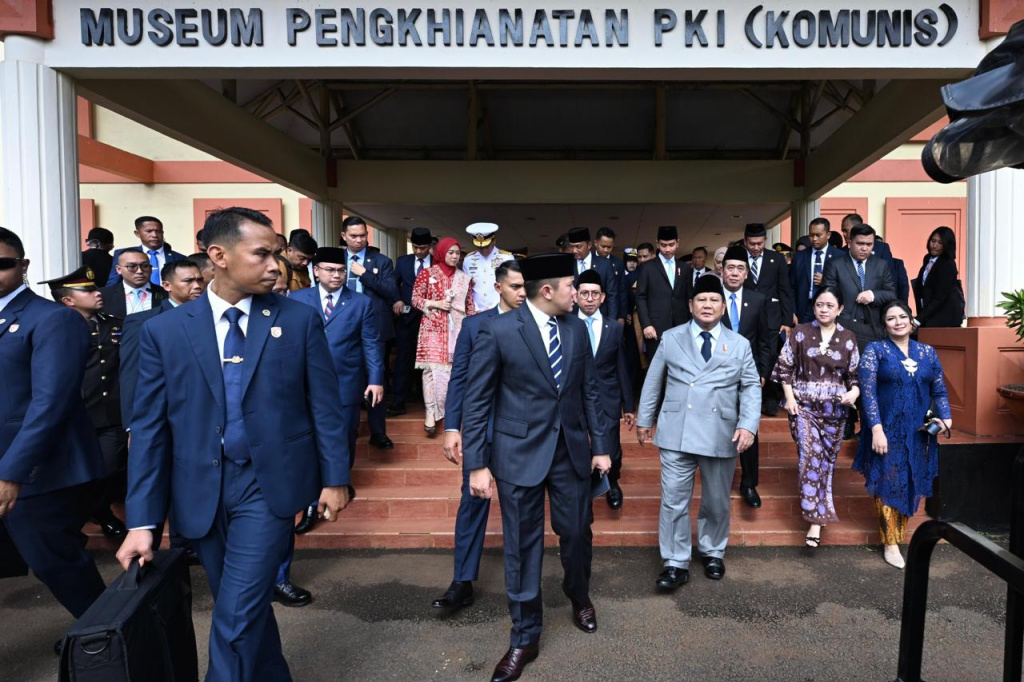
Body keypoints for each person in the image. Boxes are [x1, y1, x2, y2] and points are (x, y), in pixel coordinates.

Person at [116, 208, 352, 682]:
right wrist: (141, 521)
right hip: (198, 488)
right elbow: (149, 429)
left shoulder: (299, 320)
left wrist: (336, 478)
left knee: (235, 614)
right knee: (240, 606)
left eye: (278, 254)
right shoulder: (163, 331)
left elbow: (326, 406)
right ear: (219, 256)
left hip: (267, 486)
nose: (276, 265)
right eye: (262, 254)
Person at [462, 253, 611, 682]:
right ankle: (525, 635)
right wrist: (477, 464)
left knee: (578, 532)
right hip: (516, 455)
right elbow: (477, 401)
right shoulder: (497, 330)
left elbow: (590, 393)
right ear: (547, 291)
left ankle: (578, 593)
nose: (577, 294)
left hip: (570, 453)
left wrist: (601, 447)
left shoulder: (577, 330)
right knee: (522, 546)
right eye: (570, 286)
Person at [0, 230, 107, 625]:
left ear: (23, 266)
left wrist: (12, 473)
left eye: (3, 263)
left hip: (39, 473)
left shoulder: (53, 319)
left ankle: (110, 641)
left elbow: (50, 404)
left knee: (58, 566)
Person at [636, 275, 760, 591]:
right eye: (701, 300)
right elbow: (654, 381)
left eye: (713, 300)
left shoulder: (739, 344)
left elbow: (750, 386)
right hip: (677, 430)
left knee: (717, 500)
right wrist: (644, 420)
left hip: (721, 431)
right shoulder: (671, 337)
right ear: (691, 306)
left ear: (723, 306)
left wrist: (748, 424)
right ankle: (675, 562)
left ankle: (712, 551)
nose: (707, 305)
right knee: (674, 501)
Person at [286, 247, 383, 605]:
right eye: (328, 270)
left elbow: (371, 343)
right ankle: (313, 501)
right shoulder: (297, 299)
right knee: (308, 441)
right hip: (302, 384)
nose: (336, 276)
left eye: (341, 271)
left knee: (343, 437)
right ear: (315, 271)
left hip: (344, 382)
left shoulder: (359, 304)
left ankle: (339, 479)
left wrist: (376, 379)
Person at [433, 260, 525, 612]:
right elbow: (460, 380)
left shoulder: (534, 323)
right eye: (515, 286)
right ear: (499, 287)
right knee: (472, 503)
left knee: (520, 508)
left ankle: (521, 585)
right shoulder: (474, 326)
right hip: (481, 429)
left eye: (525, 286)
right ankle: (462, 581)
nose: (522, 293)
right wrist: (453, 428)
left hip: (522, 432)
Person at [853, 300, 951, 569]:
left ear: (911, 321)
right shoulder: (876, 351)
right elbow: (868, 392)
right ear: (884, 324)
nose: (898, 322)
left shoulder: (927, 352)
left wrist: (946, 419)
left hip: (918, 432)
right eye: (891, 318)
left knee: (909, 479)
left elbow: (939, 389)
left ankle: (899, 534)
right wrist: (875, 429)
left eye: (902, 316)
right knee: (887, 481)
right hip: (885, 429)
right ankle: (891, 542)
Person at [772, 287, 860, 548]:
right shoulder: (800, 333)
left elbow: (854, 377)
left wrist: (853, 393)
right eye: (820, 304)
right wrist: (789, 399)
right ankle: (813, 520)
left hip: (835, 410)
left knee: (825, 462)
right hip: (803, 407)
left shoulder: (848, 337)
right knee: (810, 457)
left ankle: (818, 517)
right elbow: (784, 366)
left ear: (840, 309)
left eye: (830, 305)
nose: (824, 309)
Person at [46, 267, 128, 541]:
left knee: (111, 467)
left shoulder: (114, 323)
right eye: (88, 291)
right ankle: (85, 519)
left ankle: (98, 510)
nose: (97, 293)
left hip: (111, 412)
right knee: (76, 473)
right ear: (68, 300)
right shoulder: (54, 328)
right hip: (75, 413)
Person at [719, 246, 773, 509]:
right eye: (730, 267)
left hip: (749, 375)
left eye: (740, 268)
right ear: (722, 270)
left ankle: (749, 483)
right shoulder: (711, 298)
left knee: (749, 427)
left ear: (746, 273)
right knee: (719, 425)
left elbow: (765, 340)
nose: (735, 273)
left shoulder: (758, 299)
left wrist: (763, 372)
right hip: (717, 376)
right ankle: (721, 479)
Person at [577, 269, 636, 509]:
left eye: (594, 294)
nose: (589, 298)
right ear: (575, 296)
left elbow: (622, 367)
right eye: (584, 294)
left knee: (612, 445)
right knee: (581, 444)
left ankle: (612, 482)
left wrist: (629, 405)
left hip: (608, 397)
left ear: (603, 297)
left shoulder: (615, 328)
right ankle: (584, 487)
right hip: (576, 398)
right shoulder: (566, 326)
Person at [341, 216, 397, 450]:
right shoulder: (335, 261)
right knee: (346, 380)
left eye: (363, 235)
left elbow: (390, 291)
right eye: (354, 236)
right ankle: (348, 430)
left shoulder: (381, 261)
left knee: (376, 378)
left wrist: (364, 273)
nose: (359, 240)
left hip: (374, 329)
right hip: (342, 329)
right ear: (344, 236)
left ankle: (378, 431)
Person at [413, 237, 476, 436]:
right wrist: (436, 303)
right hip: (432, 327)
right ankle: (431, 413)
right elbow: (415, 299)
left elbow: (470, 307)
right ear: (441, 252)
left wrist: (473, 331)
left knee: (454, 371)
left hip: (458, 329)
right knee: (431, 372)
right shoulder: (427, 273)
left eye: (457, 253)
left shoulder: (465, 278)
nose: (455, 256)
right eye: (451, 252)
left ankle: (451, 412)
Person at [742, 223, 794, 417]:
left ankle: (770, 397)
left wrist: (787, 320)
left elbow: (784, 289)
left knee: (771, 357)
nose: (756, 247)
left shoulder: (776, 259)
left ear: (765, 240)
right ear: (745, 241)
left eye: (759, 243)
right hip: (746, 315)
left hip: (772, 317)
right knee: (749, 355)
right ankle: (750, 397)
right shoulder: (739, 257)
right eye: (752, 243)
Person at [821, 224, 897, 352]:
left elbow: (891, 294)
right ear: (849, 242)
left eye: (869, 244)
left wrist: (873, 295)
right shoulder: (835, 265)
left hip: (873, 328)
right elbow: (828, 296)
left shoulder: (881, 265)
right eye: (860, 243)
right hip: (843, 327)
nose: (864, 248)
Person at [390, 227, 433, 416]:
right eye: (415, 247)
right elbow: (393, 283)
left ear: (430, 246)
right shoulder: (403, 262)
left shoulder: (438, 263)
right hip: (407, 319)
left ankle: (429, 401)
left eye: (422, 247)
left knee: (429, 361)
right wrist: (397, 299)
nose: (418, 251)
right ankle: (399, 400)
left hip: (431, 320)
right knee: (403, 360)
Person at [635, 225, 690, 362]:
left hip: (681, 328)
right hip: (655, 330)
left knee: (681, 371)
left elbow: (690, 298)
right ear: (657, 244)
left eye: (671, 245)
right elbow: (641, 297)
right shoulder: (647, 268)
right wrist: (646, 324)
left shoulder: (685, 268)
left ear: (677, 243)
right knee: (656, 373)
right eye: (663, 245)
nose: (667, 249)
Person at [107, 216, 186, 286]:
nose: (154, 235)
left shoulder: (180, 258)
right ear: (137, 233)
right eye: (149, 231)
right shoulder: (124, 255)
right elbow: (114, 282)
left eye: (158, 231)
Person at [566, 227, 622, 322]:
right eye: (572, 246)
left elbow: (612, 295)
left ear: (589, 245)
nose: (574, 250)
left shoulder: (605, 264)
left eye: (578, 246)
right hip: (574, 320)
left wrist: (611, 322)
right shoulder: (567, 265)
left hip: (600, 319)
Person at [913, 226, 964, 328]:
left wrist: (919, 319)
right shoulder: (928, 258)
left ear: (946, 245)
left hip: (944, 318)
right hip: (928, 314)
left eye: (940, 243)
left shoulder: (948, 264)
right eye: (933, 240)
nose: (934, 245)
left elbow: (940, 296)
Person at [791, 217, 840, 324]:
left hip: (829, 309)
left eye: (818, 235)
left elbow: (845, 286)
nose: (814, 239)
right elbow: (792, 286)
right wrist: (792, 311)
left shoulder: (839, 256)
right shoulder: (799, 257)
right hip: (805, 310)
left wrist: (826, 280)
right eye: (811, 235)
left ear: (828, 235)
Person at [101, 248, 168, 317]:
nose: (140, 271)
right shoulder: (103, 295)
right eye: (132, 266)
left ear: (151, 268)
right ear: (119, 269)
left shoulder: (167, 295)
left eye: (145, 266)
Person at [462, 222, 514, 312]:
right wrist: (474, 308)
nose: (483, 250)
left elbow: (512, 285)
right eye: (479, 247)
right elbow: (466, 288)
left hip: (501, 310)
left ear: (493, 240)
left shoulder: (506, 258)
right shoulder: (468, 260)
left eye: (486, 246)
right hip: (476, 311)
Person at [594, 227, 629, 327]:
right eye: (603, 246)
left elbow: (622, 291)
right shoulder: (589, 260)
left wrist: (622, 316)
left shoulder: (618, 263)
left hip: (613, 312)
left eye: (609, 247)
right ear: (596, 243)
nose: (606, 250)